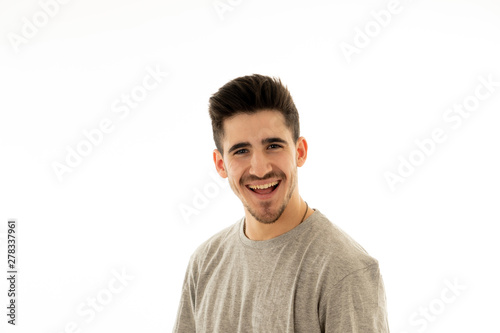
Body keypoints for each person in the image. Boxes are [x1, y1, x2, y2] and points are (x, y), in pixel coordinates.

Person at [173, 74, 390, 332]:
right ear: (221, 164)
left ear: (300, 151)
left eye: (273, 146)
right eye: (241, 151)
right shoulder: (204, 263)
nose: (260, 169)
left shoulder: (345, 271)